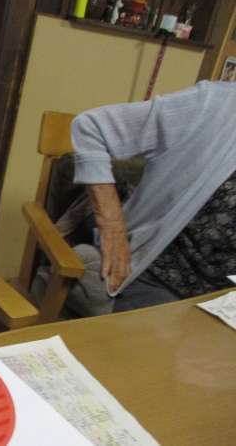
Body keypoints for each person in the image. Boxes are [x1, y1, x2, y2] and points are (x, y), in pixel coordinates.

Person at [72, 80, 236, 312]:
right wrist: (113, 228)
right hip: (160, 279)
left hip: (226, 301)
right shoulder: (216, 104)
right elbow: (90, 128)